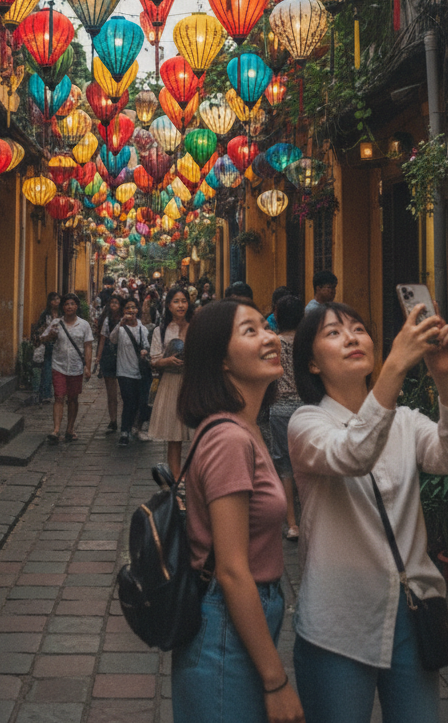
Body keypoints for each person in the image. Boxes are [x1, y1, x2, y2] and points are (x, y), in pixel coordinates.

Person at [288, 301, 448, 723]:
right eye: (334, 333)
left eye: (358, 328)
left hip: (411, 616)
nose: (352, 337)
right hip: (337, 622)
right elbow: (353, 453)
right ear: (313, 364)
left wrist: (443, 376)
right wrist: (396, 365)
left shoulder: (406, 422)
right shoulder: (306, 424)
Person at [172, 298, 305, 723]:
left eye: (264, 327)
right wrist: (276, 681)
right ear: (222, 361)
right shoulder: (230, 439)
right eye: (250, 331)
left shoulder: (244, 428)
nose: (269, 337)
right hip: (224, 624)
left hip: (237, 620)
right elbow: (231, 570)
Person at [268, 295, 304, 540]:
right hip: (306, 407)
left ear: (277, 316)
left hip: (280, 408)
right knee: (307, 464)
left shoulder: (273, 343)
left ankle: (292, 524)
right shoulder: (307, 342)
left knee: (285, 467)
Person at [148, 285, 194, 478]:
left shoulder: (196, 326)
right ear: (168, 305)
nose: (180, 305)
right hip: (170, 383)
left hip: (192, 384)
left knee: (196, 435)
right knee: (174, 437)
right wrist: (166, 361)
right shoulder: (161, 330)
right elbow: (154, 358)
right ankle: (176, 480)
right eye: (176, 301)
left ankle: (194, 477)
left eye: (184, 301)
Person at [40, 293, 92, 444]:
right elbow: (42, 338)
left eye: (72, 304)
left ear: (77, 306)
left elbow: (88, 346)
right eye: (67, 304)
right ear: (63, 307)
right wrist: (50, 334)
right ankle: (56, 430)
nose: (69, 307)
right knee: (59, 396)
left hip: (76, 366)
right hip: (59, 365)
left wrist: (88, 367)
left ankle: (70, 429)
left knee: (73, 398)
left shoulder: (84, 325)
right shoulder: (56, 323)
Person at [108, 296, 151, 446]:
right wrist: (120, 324)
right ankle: (124, 432)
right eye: (127, 308)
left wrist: (145, 351)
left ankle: (135, 428)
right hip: (124, 371)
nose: (130, 311)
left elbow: (146, 345)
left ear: (137, 310)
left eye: (133, 308)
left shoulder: (142, 329)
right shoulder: (120, 328)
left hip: (139, 371)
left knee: (139, 402)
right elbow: (112, 340)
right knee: (128, 401)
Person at [96, 295, 124, 433]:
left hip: (124, 356)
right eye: (112, 301)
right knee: (111, 393)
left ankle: (126, 420)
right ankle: (113, 420)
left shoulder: (125, 320)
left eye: (116, 302)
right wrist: (98, 358)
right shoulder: (106, 320)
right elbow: (102, 339)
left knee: (125, 392)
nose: (114, 304)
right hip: (108, 357)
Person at [31, 292, 61, 404]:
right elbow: (39, 328)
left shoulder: (62, 313)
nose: (56, 301)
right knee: (47, 369)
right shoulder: (45, 314)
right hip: (49, 343)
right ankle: (46, 394)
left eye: (58, 299)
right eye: (53, 299)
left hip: (61, 344)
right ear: (49, 302)